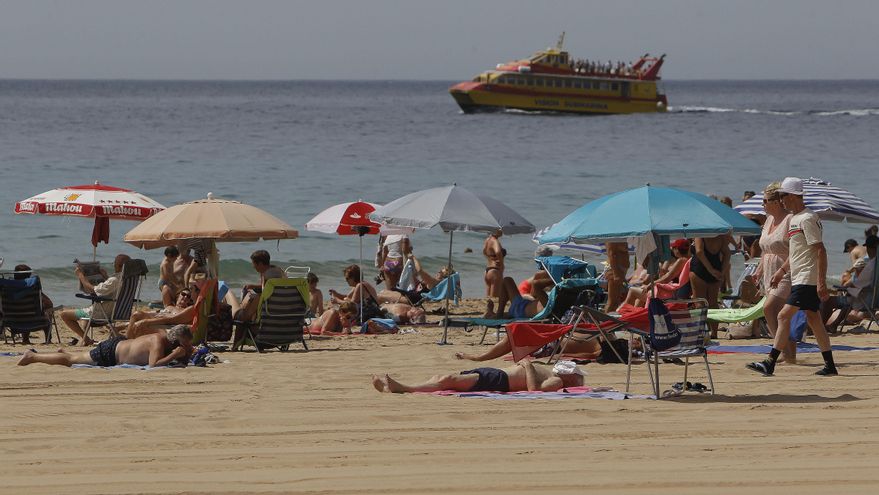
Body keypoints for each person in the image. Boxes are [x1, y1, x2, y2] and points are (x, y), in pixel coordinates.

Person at [747, 177, 838, 377]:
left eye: (783, 196)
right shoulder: (796, 219)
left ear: (793, 195)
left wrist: (821, 282)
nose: (781, 200)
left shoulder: (807, 218)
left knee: (782, 315)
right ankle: (830, 365)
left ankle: (770, 362)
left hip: (806, 277)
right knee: (814, 320)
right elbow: (796, 253)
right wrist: (781, 272)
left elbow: (820, 250)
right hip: (798, 276)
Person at [752, 183, 796, 362]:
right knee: (779, 314)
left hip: (786, 270)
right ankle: (789, 353)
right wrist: (759, 271)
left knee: (769, 309)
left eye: (765, 201)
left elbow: (795, 250)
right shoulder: (768, 220)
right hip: (769, 271)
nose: (762, 204)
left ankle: (782, 351)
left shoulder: (790, 219)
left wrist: (782, 270)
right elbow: (765, 249)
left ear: (776, 202)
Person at [18, 325, 193, 368]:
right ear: (174, 342)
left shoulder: (165, 339)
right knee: (71, 361)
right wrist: (174, 355)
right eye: (182, 345)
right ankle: (32, 357)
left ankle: (63, 351)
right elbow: (154, 365)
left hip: (118, 346)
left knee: (78, 357)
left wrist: (187, 353)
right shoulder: (158, 342)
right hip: (111, 353)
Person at [372, 360, 585, 393]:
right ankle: (396, 387)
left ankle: (404, 388)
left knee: (448, 380)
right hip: (495, 373)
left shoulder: (557, 381)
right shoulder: (554, 374)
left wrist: (528, 366)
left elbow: (534, 391)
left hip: (500, 380)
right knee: (443, 377)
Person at [59, 253, 130, 346]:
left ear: (119, 266)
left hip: (102, 313)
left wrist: (80, 275)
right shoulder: (127, 279)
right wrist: (105, 276)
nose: (113, 265)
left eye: (114, 263)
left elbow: (94, 290)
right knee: (86, 312)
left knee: (64, 314)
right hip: (118, 312)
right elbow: (113, 288)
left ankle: (87, 339)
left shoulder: (114, 280)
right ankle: (85, 338)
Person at [822, 235, 877, 333]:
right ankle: (833, 325)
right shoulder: (875, 264)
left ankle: (819, 328)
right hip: (875, 301)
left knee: (828, 301)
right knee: (849, 299)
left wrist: (844, 288)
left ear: (868, 248)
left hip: (864, 302)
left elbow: (857, 283)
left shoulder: (870, 265)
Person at [620, 239, 691, 308]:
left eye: (673, 248)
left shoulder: (681, 260)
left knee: (632, 290)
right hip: (673, 292)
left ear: (677, 249)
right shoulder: (688, 259)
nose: (672, 250)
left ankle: (622, 313)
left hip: (671, 294)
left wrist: (651, 284)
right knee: (641, 294)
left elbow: (667, 277)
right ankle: (637, 313)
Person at [689, 236, 730, 337]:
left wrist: (710, 269)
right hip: (716, 267)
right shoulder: (720, 235)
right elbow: (727, 253)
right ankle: (714, 332)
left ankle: (702, 332)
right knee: (713, 303)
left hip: (700, 268)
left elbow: (699, 252)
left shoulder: (701, 232)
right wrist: (722, 271)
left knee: (699, 303)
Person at [9, 264, 55, 345]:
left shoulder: (8, 288)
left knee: (23, 312)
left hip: (14, 322)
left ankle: (25, 339)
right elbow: (49, 303)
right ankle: (48, 338)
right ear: (28, 276)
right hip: (35, 321)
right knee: (47, 310)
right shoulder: (32, 287)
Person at [126, 288, 197, 339]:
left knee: (137, 317)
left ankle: (128, 341)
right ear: (178, 295)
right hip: (156, 324)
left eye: (188, 296)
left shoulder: (187, 310)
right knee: (136, 314)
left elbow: (172, 320)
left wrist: (146, 321)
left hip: (166, 330)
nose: (185, 297)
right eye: (183, 294)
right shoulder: (169, 307)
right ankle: (128, 340)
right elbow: (166, 288)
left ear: (190, 300)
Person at [604, 242, 630, 312]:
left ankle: (610, 317)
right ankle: (605, 318)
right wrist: (616, 274)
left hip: (619, 269)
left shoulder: (619, 237)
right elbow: (611, 254)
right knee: (612, 301)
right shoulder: (612, 238)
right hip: (614, 269)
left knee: (617, 301)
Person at [483, 229, 506, 299]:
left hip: (487, 270)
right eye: (500, 229)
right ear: (496, 231)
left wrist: (491, 258)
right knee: (495, 299)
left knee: (488, 299)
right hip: (495, 271)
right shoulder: (495, 241)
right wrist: (501, 263)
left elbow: (484, 251)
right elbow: (498, 252)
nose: (502, 231)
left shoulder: (487, 240)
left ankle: (488, 307)